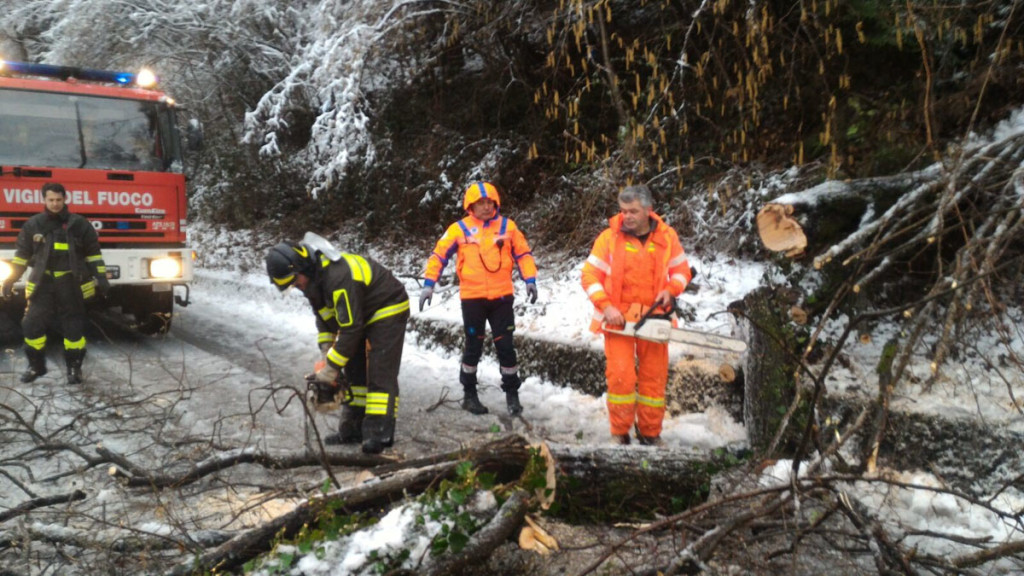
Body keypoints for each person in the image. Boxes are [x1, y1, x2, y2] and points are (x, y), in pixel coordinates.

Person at [265, 236, 410, 454]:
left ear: (302, 266)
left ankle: (379, 433)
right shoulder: (312, 282)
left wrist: (331, 368)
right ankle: (352, 429)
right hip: (360, 314)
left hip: (386, 306)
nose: (296, 286)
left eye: (295, 281)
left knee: (381, 372)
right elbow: (325, 319)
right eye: (291, 285)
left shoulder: (337, 277)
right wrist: (326, 353)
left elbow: (351, 329)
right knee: (354, 372)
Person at [580, 184, 692, 445]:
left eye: (632, 211)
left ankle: (651, 433)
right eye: (623, 211)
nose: (626, 216)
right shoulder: (609, 238)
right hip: (618, 319)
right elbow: (589, 276)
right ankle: (619, 432)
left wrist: (671, 290)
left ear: (648, 211)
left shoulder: (667, 237)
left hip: (655, 318)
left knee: (654, 380)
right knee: (621, 378)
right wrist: (606, 306)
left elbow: (681, 271)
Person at [419, 181, 538, 416]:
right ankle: (470, 394)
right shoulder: (459, 229)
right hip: (472, 298)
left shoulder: (508, 226)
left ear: (495, 203)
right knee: (473, 345)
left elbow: (523, 254)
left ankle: (512, 395)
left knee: (506, 346)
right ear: (470, 206)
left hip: (502, 298)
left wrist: (530, 280)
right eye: (480, 203)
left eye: (489, 202)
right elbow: (438, 256)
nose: (485, 207)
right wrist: (429, 284)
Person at [0, 182, 110, 384]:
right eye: (51, 200)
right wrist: (10, 279)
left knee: (74, 328)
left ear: (64, 199)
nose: (55, 203)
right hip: (44, 283)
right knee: (31, 324)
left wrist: (101, 278)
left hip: (71, 283)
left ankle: (74, 369)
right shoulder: (34, 225)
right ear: (44, 200)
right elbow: (21, 257)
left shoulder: (79, 224)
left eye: (59, 200)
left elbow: (94, 254)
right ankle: (36, 366)